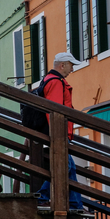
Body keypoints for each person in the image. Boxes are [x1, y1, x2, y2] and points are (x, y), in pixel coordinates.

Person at [34, 52, 84, 210]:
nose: (72, 69)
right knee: (65, 167)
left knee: (69, 167)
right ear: (62, 65)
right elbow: (55, 110)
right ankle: (43, 196)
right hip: (59, 133)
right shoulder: (56, 82)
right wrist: (60, 133)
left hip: (59, 133)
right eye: (71, 65)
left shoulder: (50, 80)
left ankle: (76, 204)